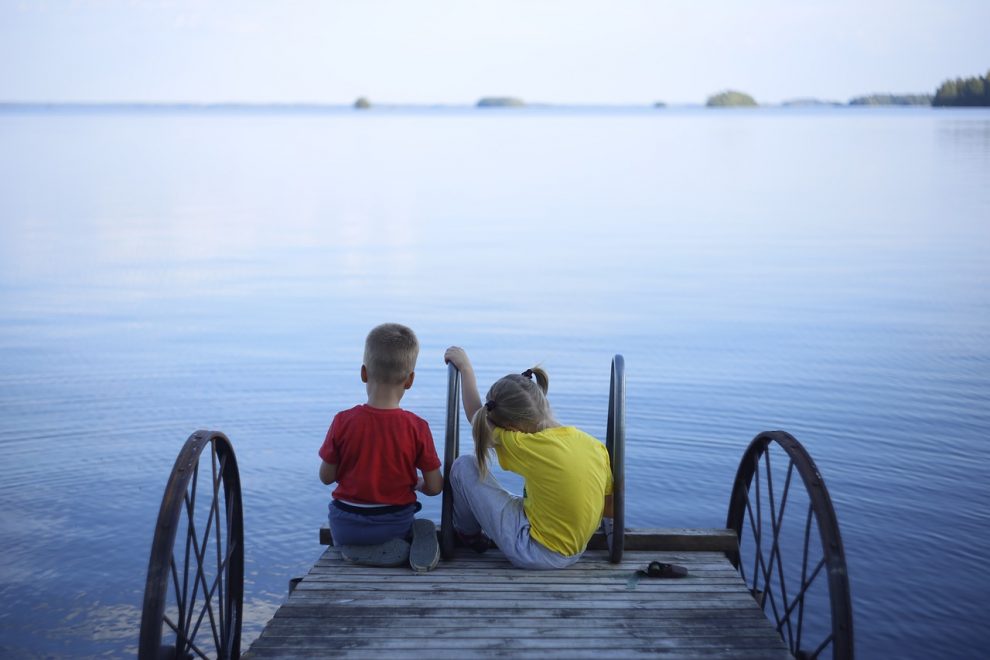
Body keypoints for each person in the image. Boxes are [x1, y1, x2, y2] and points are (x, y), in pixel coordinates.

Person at [443, 346, 613, 569]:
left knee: (463, 466)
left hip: (534, 551)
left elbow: (475, 416)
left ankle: (468, 535)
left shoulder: (526, 445)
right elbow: (609, 509)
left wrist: (465, 367)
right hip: (576, 549)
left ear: (513, 427)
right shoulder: (592, 444)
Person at [318, 323, 443, 572]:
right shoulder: (417, 427)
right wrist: (418, 483)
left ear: (364, 373)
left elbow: (326, 477)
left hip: (344, 527)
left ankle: (357, 550)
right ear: (410, 380)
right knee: (412, 523)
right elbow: (435, 487)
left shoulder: (342, 421)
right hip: (393, 525)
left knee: (347, 524)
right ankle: (397, 547)